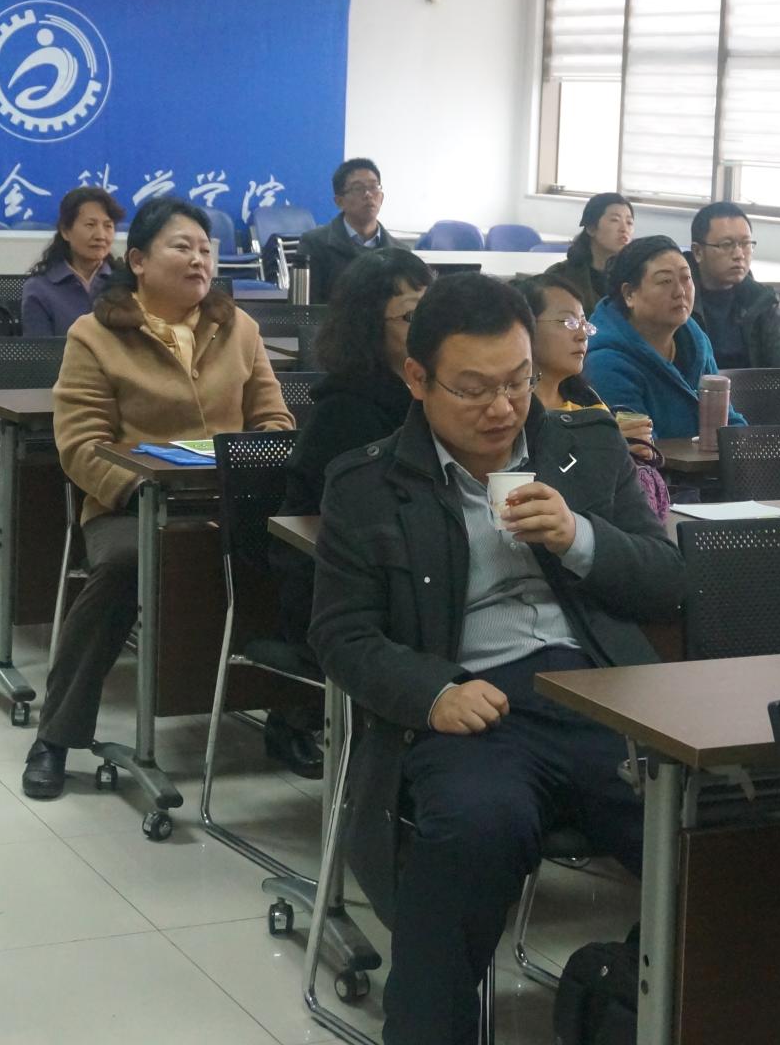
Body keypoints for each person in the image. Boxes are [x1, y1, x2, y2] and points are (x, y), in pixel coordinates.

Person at [308, 272, 683, 1045]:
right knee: (475, 828)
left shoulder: (585, 448)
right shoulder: (368, 483)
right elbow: (342, 635)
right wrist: (433, 692)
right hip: (473, 702)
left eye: (516, 382)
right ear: (418, 379)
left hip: (598, 692)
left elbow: (667, 581)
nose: (503, 408)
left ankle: (641, 995)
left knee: (709, 826)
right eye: (473, 389)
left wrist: (580, 538)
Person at [25, 196, 293, 799]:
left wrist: (248, 477)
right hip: (130, 504)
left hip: (228, 502)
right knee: (125, 564)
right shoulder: (95, 335)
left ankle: (290, 716)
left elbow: (275, 423)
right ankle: (56, 735)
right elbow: (81, 444)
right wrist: (143, 490)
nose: (199, 260)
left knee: (294, 557)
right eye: (182, 247)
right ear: (140, 261)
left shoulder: (240, 328)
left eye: (205, 249)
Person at [269, 248, 438, 776]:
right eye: (411, 316)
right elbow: (361, 522)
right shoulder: (347, 407)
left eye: (432, 312)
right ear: (369, 326)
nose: (427, 329)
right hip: (331, 574)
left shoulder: (439, 394)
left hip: (411, 559)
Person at [520, 273, 671, 522]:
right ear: (524, 327)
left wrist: (625, 450)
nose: (582, 335)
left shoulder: (587, 401)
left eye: (584, 324)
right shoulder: (511, 407)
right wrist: (603, 447)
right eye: (568, 322)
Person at [583, 234, 744, 441]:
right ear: (629, 294)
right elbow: (641, 447)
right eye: (665, 281)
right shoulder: (605, 363)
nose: (680, 292)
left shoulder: (696, 342)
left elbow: (727, 420)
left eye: (686, 278)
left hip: (704, 460)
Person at [686, 200, 780, 370]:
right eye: (726, 244)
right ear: (698, 252)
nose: (739, 254)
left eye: (746, 244)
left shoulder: (762, 299)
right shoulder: (678, 297)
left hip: (754, 387)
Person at [297, 157, 409, 304]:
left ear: (381, 197)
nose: (368, 194)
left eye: (374, 187)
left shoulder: (401, 252)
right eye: (358, 188)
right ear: (339, 201)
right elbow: (307, 307)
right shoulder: (315, 244)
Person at [20, 185, 124, 336]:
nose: (101, 235)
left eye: (108, 226)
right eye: (90, 225)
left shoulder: (125, 283)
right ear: (65, 231)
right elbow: (38, 349)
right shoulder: (40, 288)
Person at [545, 191, 633, 308]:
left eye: (629, 222)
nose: (624, 229)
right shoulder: (560, 276)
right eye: (615, 220)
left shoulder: (635, 276)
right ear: (591, 228)